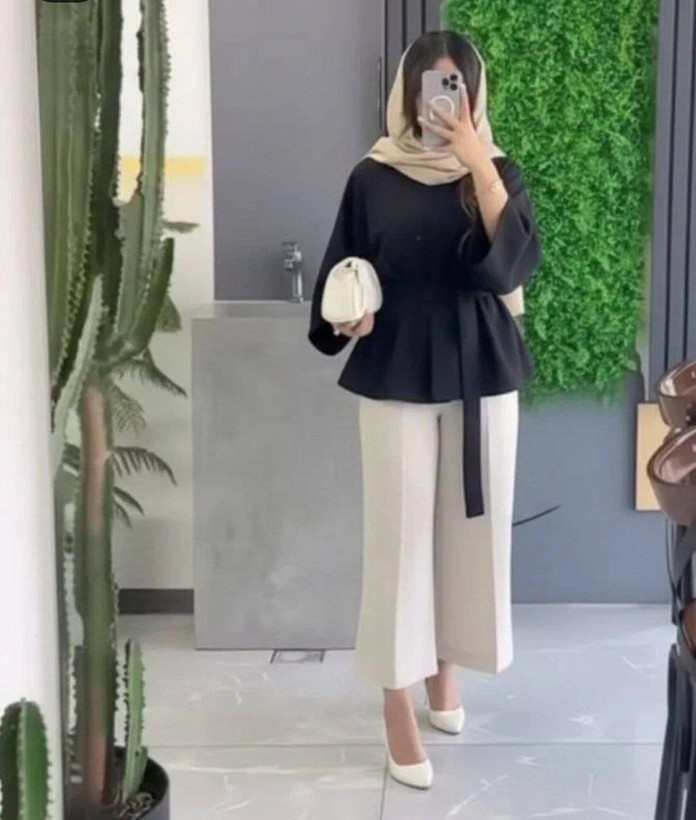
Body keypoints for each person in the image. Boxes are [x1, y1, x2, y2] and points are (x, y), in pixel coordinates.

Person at [307, 29, 543, 789]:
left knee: (472, 532)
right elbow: (342, 266)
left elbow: (513, 265)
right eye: (429, 84)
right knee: (400, 538)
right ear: (407, 92)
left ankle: (447, 667)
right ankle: (395, 700)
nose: (441, 99)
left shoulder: (497, 169)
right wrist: (348, 315)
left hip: (483, 365)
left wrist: (478, 163)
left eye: (455, 85)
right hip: (397, 359)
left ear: (475, 93)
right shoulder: (372, 175)